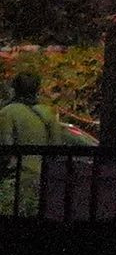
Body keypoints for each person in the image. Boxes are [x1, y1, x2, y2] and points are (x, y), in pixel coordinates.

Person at [0, 69, 87, 216]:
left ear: (14, 88)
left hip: (16, 179)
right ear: (37, 89)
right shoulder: (48, 112)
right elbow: (56, 146)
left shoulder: (7, 112)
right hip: (45, 179)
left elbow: (5, 149)